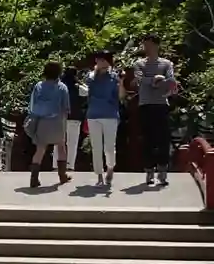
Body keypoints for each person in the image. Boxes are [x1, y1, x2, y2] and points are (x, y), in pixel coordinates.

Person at [133, 34, 176, 186]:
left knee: (163, 139)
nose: (147, 48)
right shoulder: (139, 63)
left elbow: (171, 79)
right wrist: (154, 80)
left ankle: (162, 171)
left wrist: (162, 81)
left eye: (149, 45)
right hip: (145, 104)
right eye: (145, 45)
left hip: (161, 104)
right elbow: (140, 79)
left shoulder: (166, 64)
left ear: (157, 45)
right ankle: (149, 171)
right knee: (147, 139)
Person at [27, 61, 72, 188]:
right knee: (61, 146)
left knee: (40, 149)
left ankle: (34, 178)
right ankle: (62, 175)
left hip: (42, 121)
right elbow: (65, 108)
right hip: (57, 121)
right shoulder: (62, 87)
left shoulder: (39, 86)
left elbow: (32, 105)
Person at [85, 51, 125, 189]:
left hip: (110, 114)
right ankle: (99, 176)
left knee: (109, 147)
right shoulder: (91, 76)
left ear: (108, 62)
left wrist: (121, 82)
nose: (100, 62)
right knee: (96, 147)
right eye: (98, 60)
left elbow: (121, 97)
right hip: (93, 114)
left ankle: (110, 168)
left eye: (103, 60)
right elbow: (87, 92)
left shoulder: (114, 77)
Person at [61, 64, 88, 175]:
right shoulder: (78, 87)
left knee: (59, 142)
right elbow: (88, 91)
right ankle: (70, 165)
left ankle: (56, 164)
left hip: (60, 118)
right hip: (74, 118)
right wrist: (81, 82)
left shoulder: (60, 86)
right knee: (72, 143)